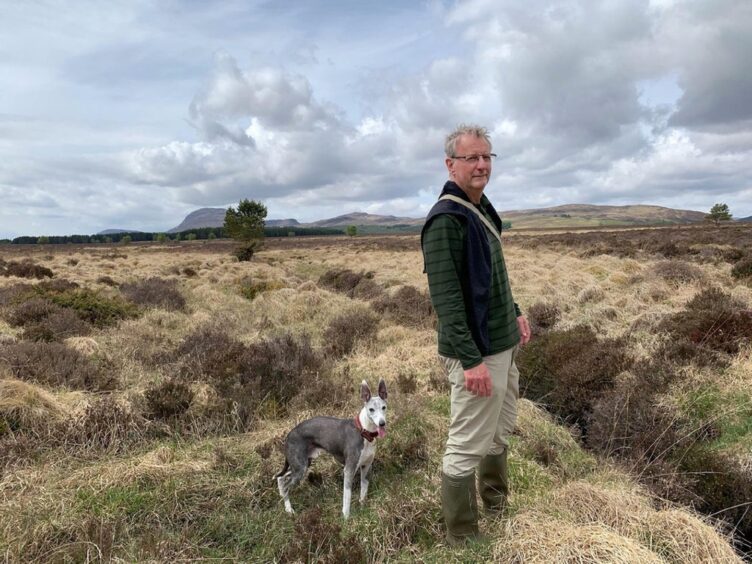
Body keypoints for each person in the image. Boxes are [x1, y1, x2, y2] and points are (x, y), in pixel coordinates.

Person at [421, 124, 531, 545]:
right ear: (451, 164)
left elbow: (493, 276)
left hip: (501, 345)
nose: (482, 164)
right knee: (467, 443)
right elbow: (447, 300)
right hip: (478, 353)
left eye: (487, 156)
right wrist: (470, 361)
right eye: (472, 158)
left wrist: (515, 313)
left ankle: (497, 505)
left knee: (499, 433)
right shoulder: (446, 220)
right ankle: (463, 538)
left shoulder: (480, 207)